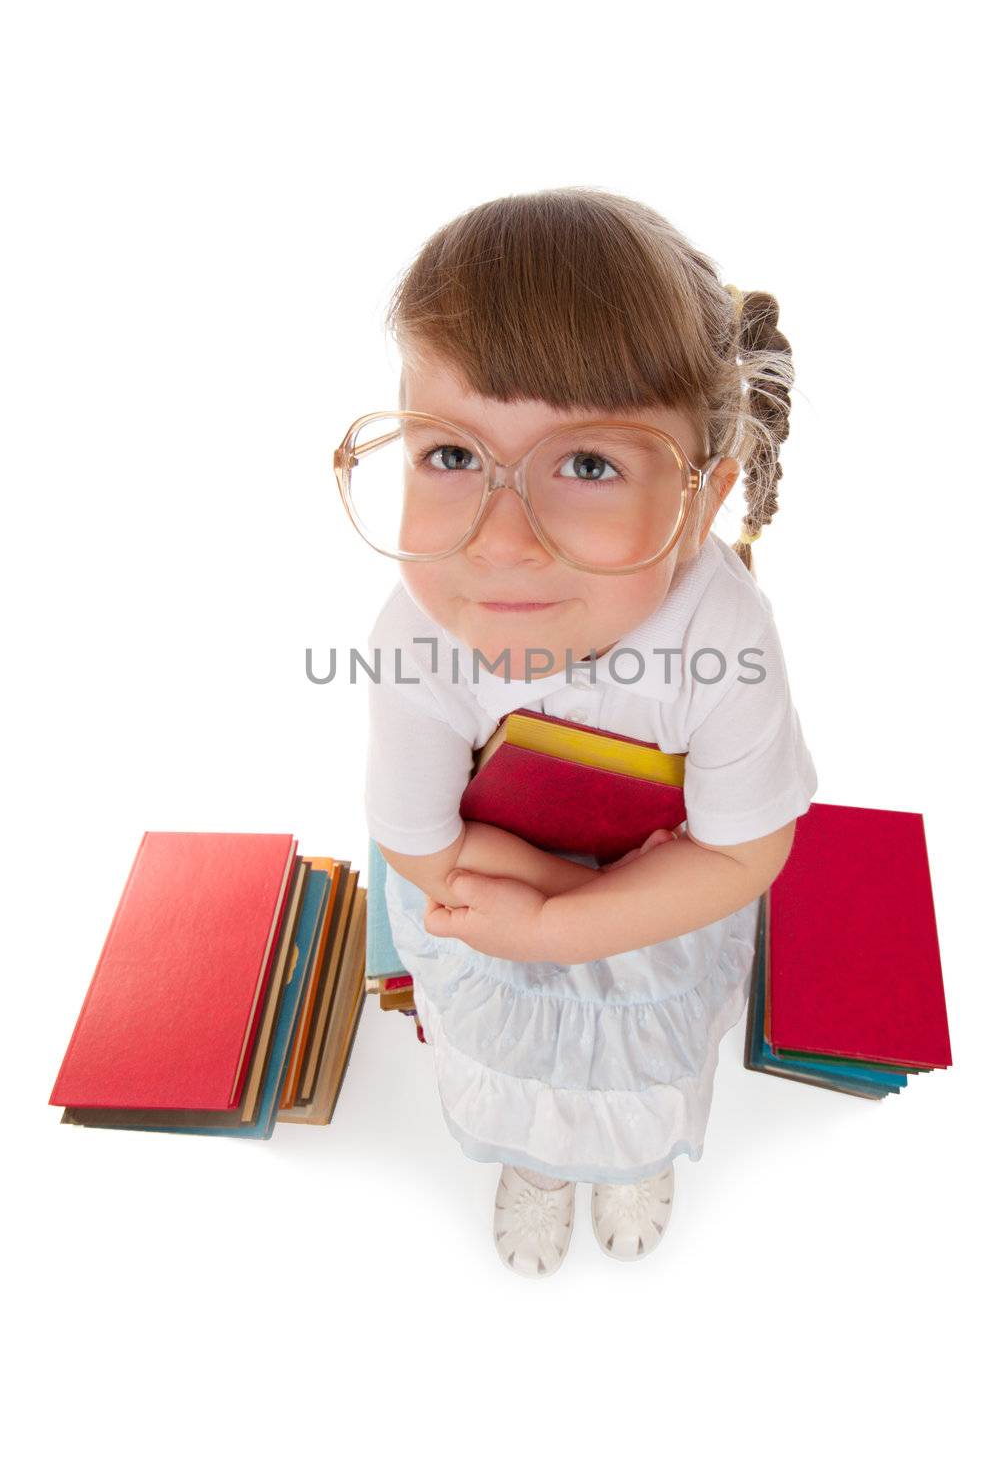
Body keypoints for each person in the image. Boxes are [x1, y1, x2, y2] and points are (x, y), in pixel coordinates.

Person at [340, 187, 818, 1278]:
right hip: (490, 911)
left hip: (656, 921)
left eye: (589, 465)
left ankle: (630, 1151)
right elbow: (416, 844)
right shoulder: (416, 632)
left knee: (637, 1063)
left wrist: (559, 923)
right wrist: (533, 888)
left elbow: (747, 850)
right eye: (450, 456)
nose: (499, 544)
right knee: (510, 1057)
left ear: (700, 504)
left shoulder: (726, 633)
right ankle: (540, 1158)